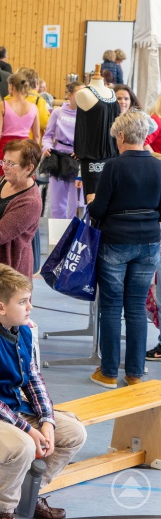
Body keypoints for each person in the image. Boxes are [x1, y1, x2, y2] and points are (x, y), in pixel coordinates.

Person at [0, 264, 87, 519]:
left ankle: (29, 496)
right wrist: (29, 430)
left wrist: (46, 421)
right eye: (23, 301)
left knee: (74, 433)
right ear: (0, 307)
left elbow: (33, 380)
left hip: (12, 409)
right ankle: (1, 512)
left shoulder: (23, 329)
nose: (30, 307)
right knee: (22, 446)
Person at [88, 111, 161, 389]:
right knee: (136, 307)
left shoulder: (114, 167)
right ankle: (134, 373)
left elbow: (99, 209)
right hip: (149, 242)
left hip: (116, 241)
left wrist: (94, 202)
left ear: (121, 136)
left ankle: (107, 373)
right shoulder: (158, 166)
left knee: (111, 305)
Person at [0, 139, 42, 279]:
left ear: (29, 168)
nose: (4, 167)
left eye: (11, 163)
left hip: (8, 272)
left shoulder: (30, 202)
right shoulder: (7, 179)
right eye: (3, 161)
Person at [42, 81, 85, 218]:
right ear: (70, 95)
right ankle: (57, 236)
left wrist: (81, 150)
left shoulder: (86, 115)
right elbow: (47, 136)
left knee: (74, 202)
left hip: (76, 159)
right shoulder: (58, 112)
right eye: (79, 94)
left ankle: (71, 235)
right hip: (59, 158)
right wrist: (47, 147)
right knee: (57, 201)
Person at [0, 73, 40, 182]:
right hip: (25, 148)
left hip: (6, 146)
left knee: (3, 181)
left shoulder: (2, 105)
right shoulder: (33, 108)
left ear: (11, 86)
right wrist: (35, 156)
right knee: (22, 181)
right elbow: (36, 136)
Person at [10, 68, 50, 134]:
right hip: (29, 140)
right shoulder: (39, 100)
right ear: (35, 84)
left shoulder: (7, 99)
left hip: (9, 140)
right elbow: (43, 123)